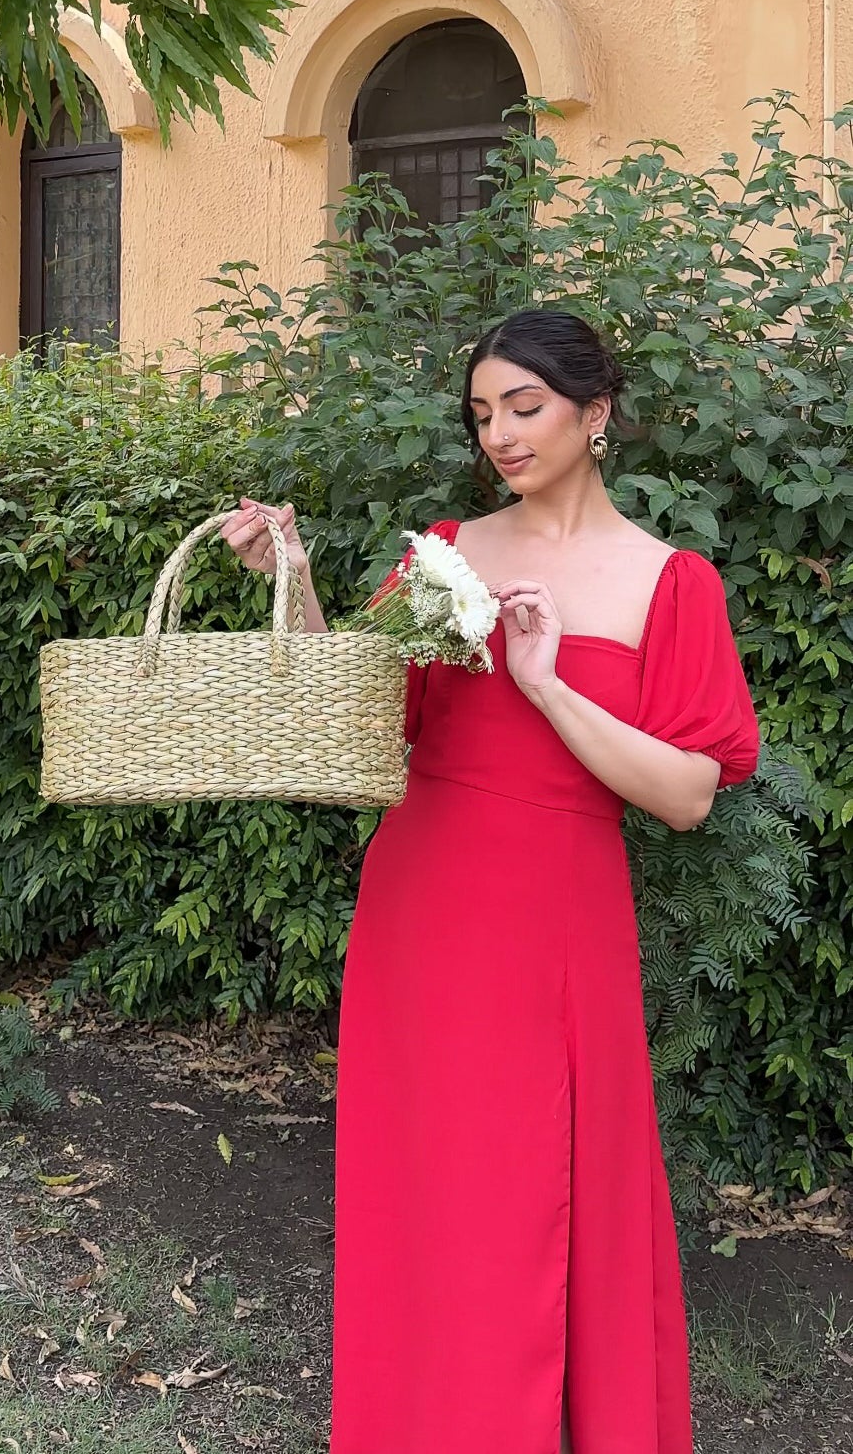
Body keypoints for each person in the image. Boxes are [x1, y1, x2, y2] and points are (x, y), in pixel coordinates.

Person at [219, 307, 760, 1454]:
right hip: (423, 900)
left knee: (541, 1193)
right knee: (429, 1197)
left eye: (525, 406)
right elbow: (355, 718)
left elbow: (689, 792)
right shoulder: (446, 553)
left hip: (558, 920)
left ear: (594, 412)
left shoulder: (672, 582)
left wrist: (549, 684)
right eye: (482, 413)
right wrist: (297, 577)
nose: (501, 433)